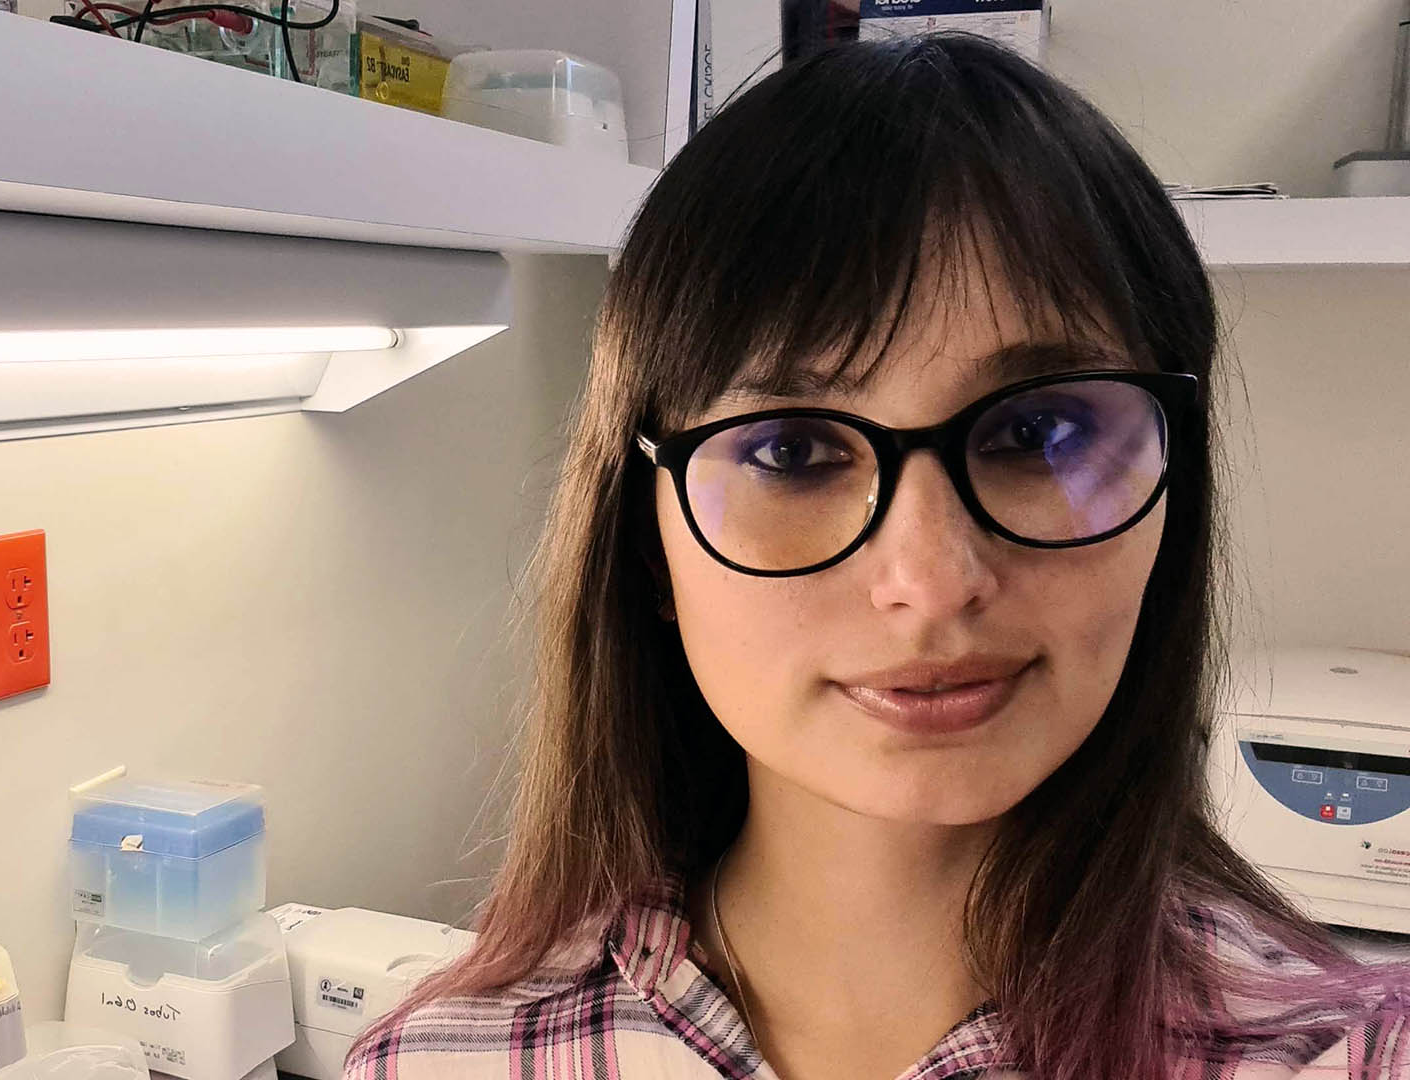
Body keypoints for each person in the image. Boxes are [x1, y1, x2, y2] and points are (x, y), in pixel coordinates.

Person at [342, 33, 1410, 1080]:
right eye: (792, 451)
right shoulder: (443, 1061)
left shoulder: (1344, 1054)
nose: (933, 583)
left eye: (1039, 433)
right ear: (646, 536)